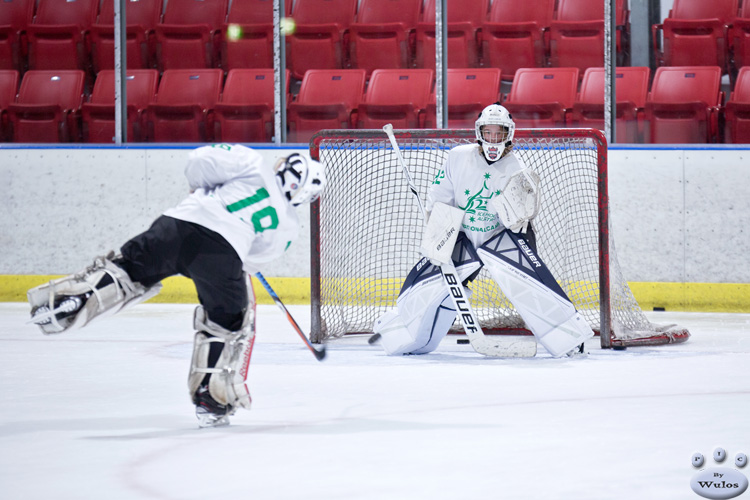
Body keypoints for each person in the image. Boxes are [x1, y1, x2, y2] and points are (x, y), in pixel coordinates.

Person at [27, 144, 326, 427]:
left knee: (127, 269)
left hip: (177, 225)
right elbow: (253, 261)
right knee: (227, 321)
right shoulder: (288, 225)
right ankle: (209, 397)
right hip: (222, 254)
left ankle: (74, 297)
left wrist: (199, 187)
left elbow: (198, 160)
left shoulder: (252, 162)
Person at [371, 103, 594, 357]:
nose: (493, 140)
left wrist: (522, 215)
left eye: (498, 134)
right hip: (463, 236)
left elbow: (519, 219)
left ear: (508, 135)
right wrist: (438, 227)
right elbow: (441, 197)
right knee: (434, 285)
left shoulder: (517, 170)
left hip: (502, 237)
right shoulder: (457, 156)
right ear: (479, 133)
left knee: (529, 285)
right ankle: (403, 334)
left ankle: (569, 336)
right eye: (488, 133)